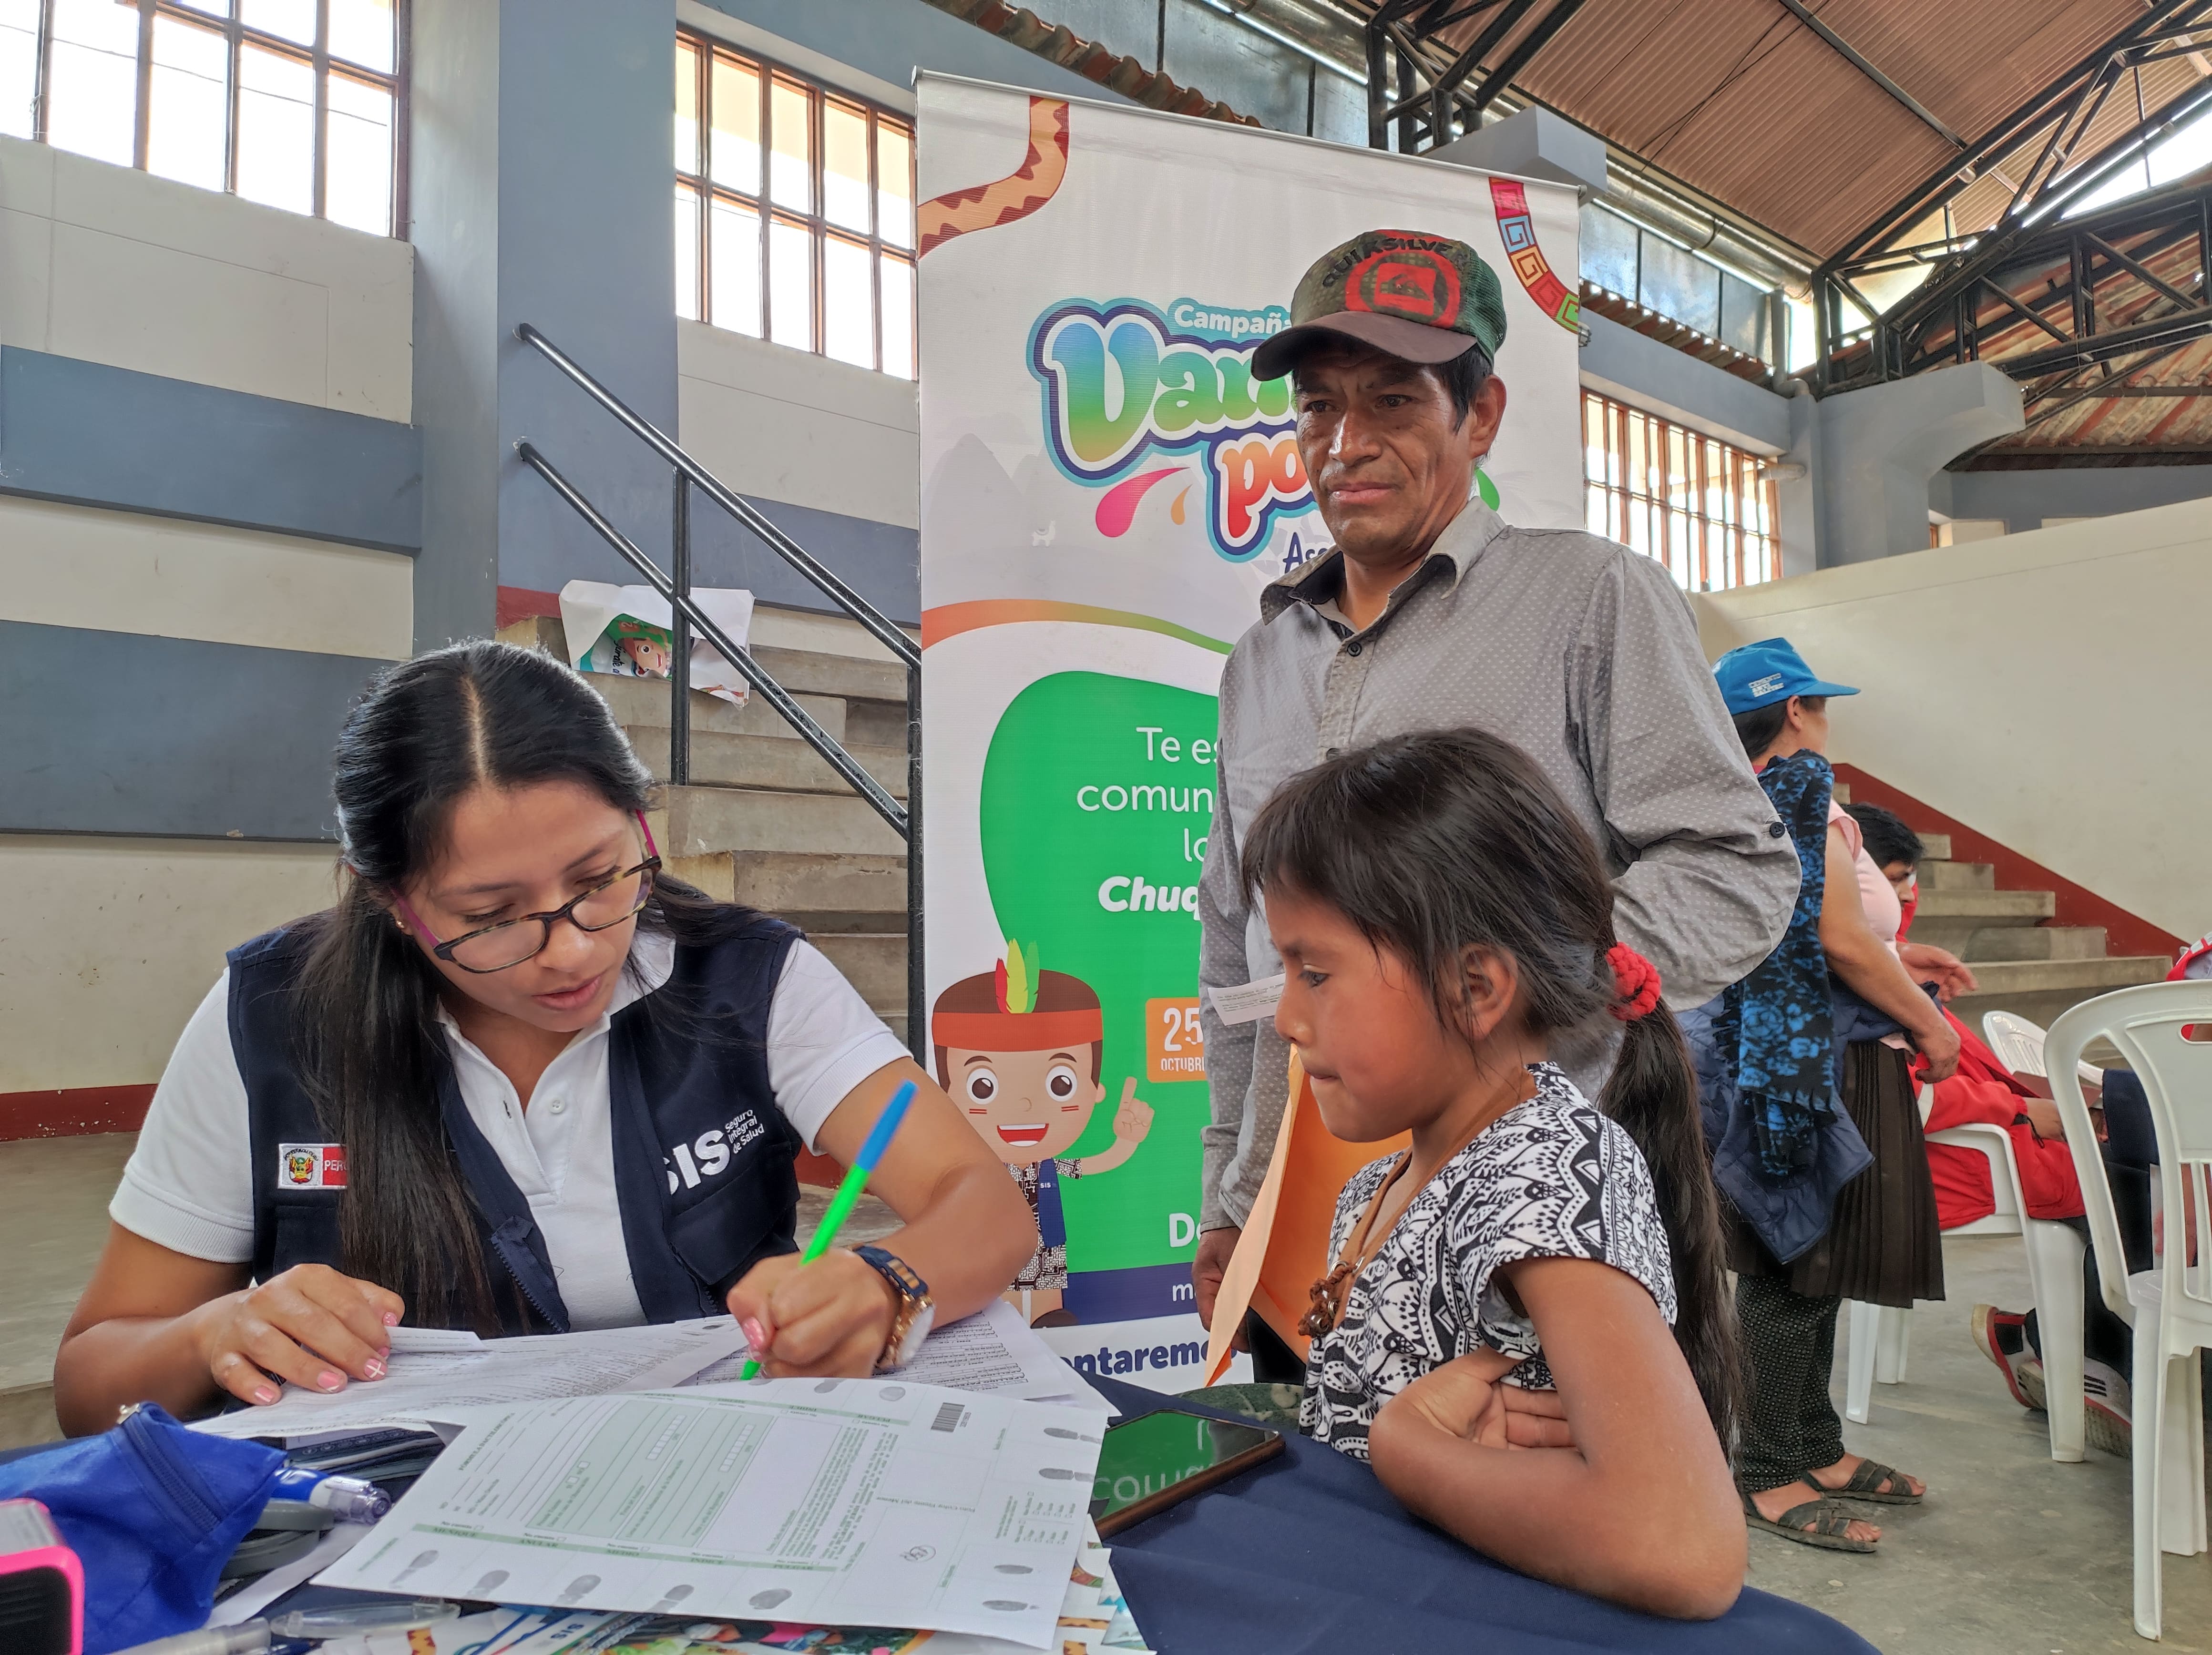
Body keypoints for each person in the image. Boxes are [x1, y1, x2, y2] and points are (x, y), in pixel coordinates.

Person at [52, 642, 1036, 1433]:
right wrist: (215, 1331)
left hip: (728, 1470)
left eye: (601, 876)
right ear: (391, 902)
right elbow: (90, 1383)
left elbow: (982, 1205)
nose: (569, 949)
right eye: (491, 915)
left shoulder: (747, 977)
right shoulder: (269, 1019)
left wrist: (886, 1280)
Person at [1195, 227, 1800, 1379]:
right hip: (1308, 1228)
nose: (1346, 443)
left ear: (1479, 417)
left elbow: (1735, 862)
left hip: (1521, 1223)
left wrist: (1528, 993)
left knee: (1523, 1532)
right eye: (1319, 407)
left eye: (1392, 401)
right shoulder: (1260, 661)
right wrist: (1229, 1188)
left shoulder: (1589, 600)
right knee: (1324, 1529)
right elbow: (1236, 957)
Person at [1243, 728, 1744, 1620]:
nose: (1285, 1017)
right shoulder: (1383, 1184)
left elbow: (1682, 1547)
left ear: (1476, 990)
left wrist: (1414, 1451)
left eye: (1315, 973)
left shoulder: (1541, 1171)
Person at [1712, 638, 1957, 1553]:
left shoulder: (1751, 795)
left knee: (1820, 1267)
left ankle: (1813, 1444)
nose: (1827, 720)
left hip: (1806, 1052)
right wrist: (1930, 1026)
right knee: (1796, 1268)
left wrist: (1906, 962)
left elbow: (1832, 938)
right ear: (1798, 712)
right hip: (1820, 1062)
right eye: (1819, 704)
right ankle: (1769, 1468)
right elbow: (1837, 942)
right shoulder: (1803, 790)